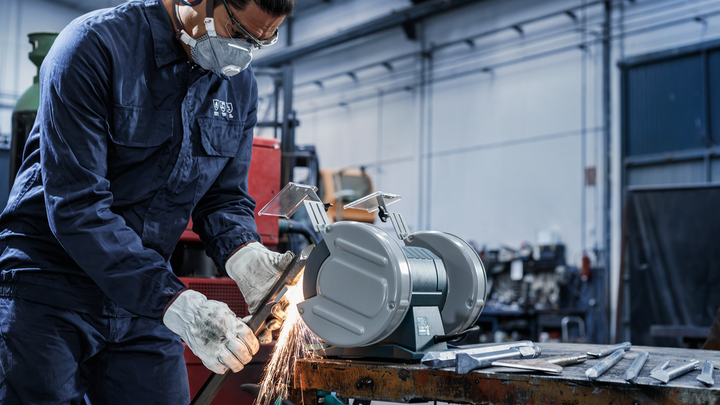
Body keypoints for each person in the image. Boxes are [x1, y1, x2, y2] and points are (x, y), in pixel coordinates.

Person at [0, 0, 295, 403]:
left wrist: (246, 256)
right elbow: (77, 207)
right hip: (51, 287)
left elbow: (222, 198)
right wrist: (175, 302)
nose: (243, 54)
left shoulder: (239, 86)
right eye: (239, 33)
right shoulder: (92, 47)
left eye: (260, 42)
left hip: (143, 296)